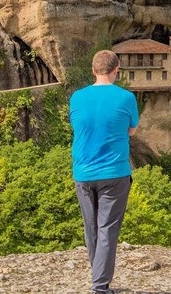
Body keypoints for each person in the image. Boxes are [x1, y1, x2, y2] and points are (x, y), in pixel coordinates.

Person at [70, 49, 139, 294]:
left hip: (84, 173)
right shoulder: (126, 97)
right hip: (114, 173)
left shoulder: (77, 97)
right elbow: (131, 131)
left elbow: (79, 125)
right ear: (116, 71)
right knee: (107, 228)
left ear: (93, 70)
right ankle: (100, 286)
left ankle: (98, 274)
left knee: (91, 227)